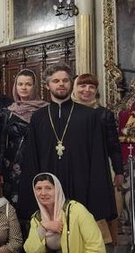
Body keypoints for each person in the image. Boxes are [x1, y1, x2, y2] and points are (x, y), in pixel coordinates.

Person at [18, 63, 116, 224]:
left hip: (81, 183)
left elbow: (98, 156)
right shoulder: (39, 117)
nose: (61, 84)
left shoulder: (89, 116)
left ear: (71, 83)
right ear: (47, 85)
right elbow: (32, 158)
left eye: (65, 80)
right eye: (56, 81)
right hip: (49, 184)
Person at [71, 73, 124, 244]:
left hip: (99, 168)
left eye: (91, 87)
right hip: (73, 167)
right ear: (75, 88)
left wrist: (119, 171)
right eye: (82, 86)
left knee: (101, 206)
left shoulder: (104, 114)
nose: (87, 90)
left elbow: (113, 146)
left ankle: (102, 242)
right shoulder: (66, 111)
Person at [0, 69, 48, 222]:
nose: (24, 88)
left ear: (35, 86)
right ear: (15, 87)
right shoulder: (8, 112)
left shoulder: (45, 110)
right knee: (13, 207)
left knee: (36, 203)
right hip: (11, 167)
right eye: (20, 84)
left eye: (28, 84)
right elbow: (2, 142)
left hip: (36, 164)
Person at [23, 173, 104, 253]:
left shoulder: (77, 210)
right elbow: (30, 250)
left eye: (48, 188)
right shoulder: (37, 218)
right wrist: (43, 227)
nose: (43, 193)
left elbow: (96, 248)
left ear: (57, 190)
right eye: (39, 188)